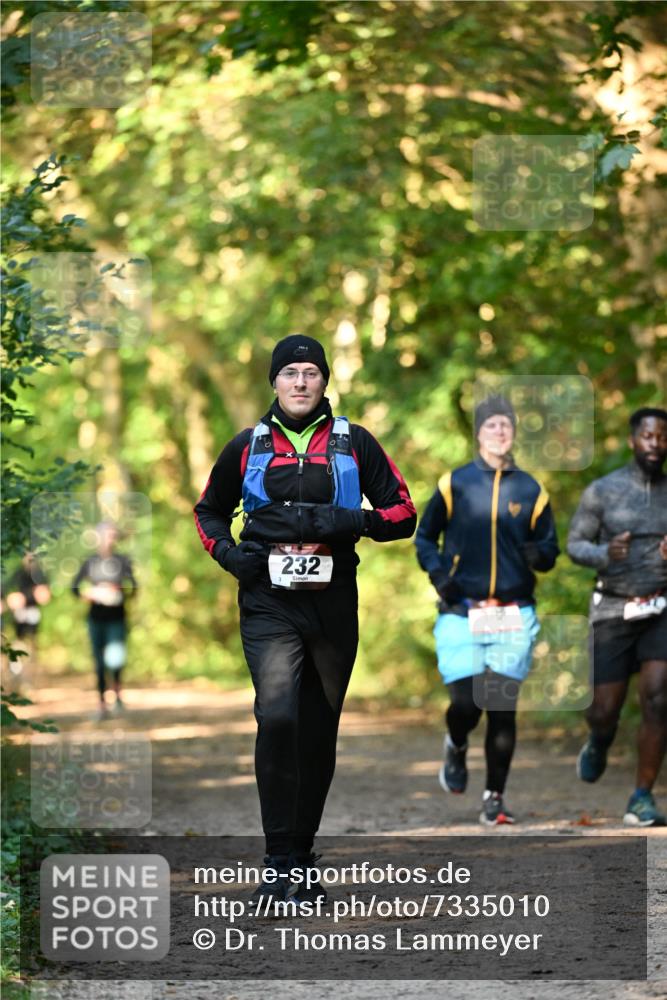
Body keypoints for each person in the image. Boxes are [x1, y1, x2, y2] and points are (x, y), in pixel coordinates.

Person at [194, 334, 416, 903]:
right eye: (289, 372)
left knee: (318, 729)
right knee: (277, 717)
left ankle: (302, 856)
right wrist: (231, 557)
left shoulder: (354, 442)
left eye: (310, 372)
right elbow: (209, 512)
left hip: (332, 600)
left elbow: (402, 513)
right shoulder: (247, 444)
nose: (300, 381)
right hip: (268, 600)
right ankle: (277, 859)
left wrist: (352, 522)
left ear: (323, 381)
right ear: (274, 381)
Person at [415, 395, 559, 825]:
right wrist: (440, 576)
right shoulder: (455, 483)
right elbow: (425, 538)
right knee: (466, 704)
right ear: (478, 432)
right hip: (462, 610)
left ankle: (494, 798)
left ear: (514, 433)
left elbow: (550, 549)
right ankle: (457, 743)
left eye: (506, 425)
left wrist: (539, 555)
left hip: (514, 613)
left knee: (500, 706)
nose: (500, 431)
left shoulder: (530, 489)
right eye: (492, 424)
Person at [567, 407, 667, 827]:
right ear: (633, 440)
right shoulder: (603, 491)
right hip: (612, 607)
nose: (655, 444)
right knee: (604, 708)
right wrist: (605, 553)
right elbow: (574, 545)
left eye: (662, 437)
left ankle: (641, 797)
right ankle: (600, 738)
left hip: (661, 607)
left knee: (659, 698)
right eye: (648, 436)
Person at [71, 522, 137, 720]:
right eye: (107, 535)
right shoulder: (90, 562)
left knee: (115, 659)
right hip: (96, 618)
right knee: (99, 662)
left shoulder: (122, 561)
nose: (110, 539)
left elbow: (134, 587)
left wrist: (118, 591)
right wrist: (90, 594)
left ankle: (117, 694)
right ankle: (101, 704)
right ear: (99, 537)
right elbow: (74, 588)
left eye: (113, 535)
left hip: (117, 617)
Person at [2, 552, 51, 689]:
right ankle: (18, 676)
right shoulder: (18, 573)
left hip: (32, 614)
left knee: (32, 645)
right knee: (19, 643)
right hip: (19, 616)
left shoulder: (40, 574)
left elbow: (45, 594)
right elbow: (7, 591)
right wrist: (11, 598)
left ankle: (31, 679)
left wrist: (37, 595)